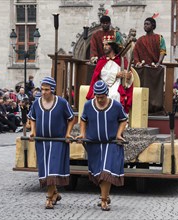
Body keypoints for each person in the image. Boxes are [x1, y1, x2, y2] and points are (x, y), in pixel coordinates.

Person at [76, 80, 128, 211]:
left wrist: (119, 134)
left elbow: (123, 120)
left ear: (107, 94)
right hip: (93, 145)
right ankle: (105, 194)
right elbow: (83, 120)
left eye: (102, 97)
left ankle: (104, 200)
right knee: (98, 173)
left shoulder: (115, 106)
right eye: (97, 97)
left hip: (110, 144)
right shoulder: (88, 105)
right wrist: (82, 134)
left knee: (106, 171)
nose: (99, 99)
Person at [28, 76, 75, 209]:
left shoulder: (61, 102)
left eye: (47, 90)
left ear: (52, 90)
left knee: (53, 169)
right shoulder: (36, 103)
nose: (43, 92)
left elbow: (71, 118)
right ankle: (54, 193)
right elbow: (32, 118)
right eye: (42, 89)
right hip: (42, 142)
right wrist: (33, 131)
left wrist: (67, 133)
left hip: (57, 141)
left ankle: (49, 198)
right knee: (46, 169)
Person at [86, 35, 133, 113]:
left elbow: (129, 74)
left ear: (112, 46)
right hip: (103, 84)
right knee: (102, 95)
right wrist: (116, 75)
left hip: (118, 84)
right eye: (104, 45)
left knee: (115, 95)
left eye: (107, 45)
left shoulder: (121, 60)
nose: (105, 47)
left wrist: (128, 76)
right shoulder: (102, 61)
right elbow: (101, 74)